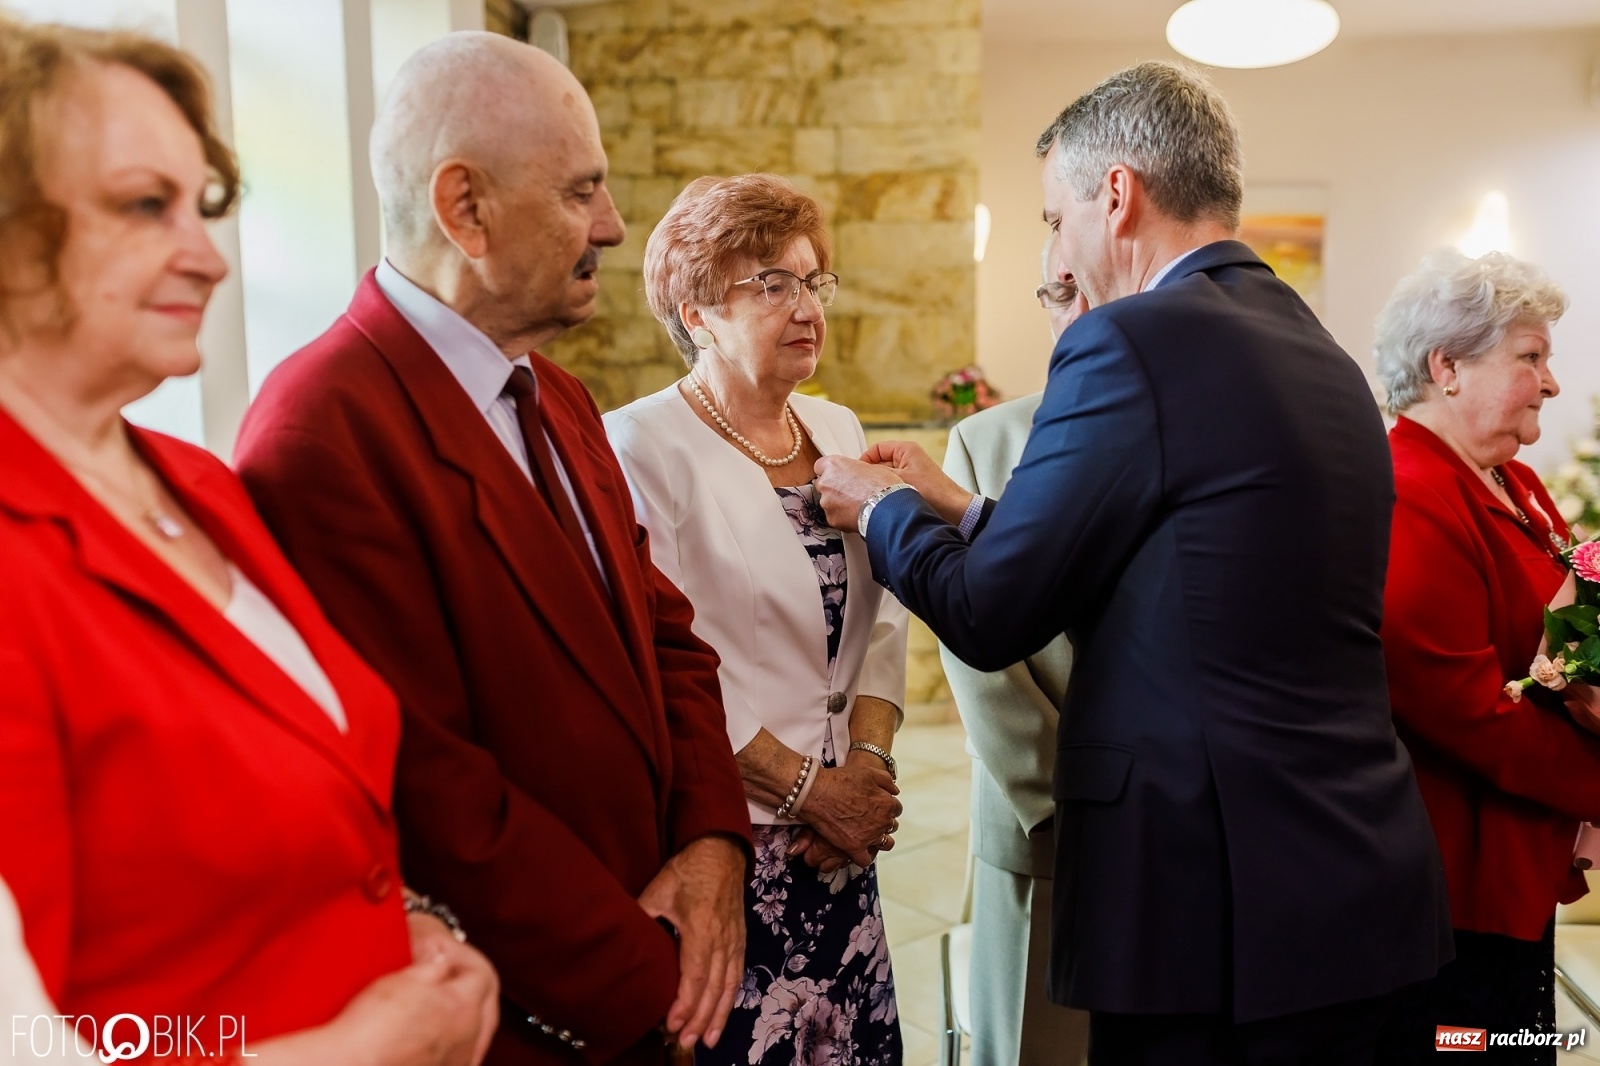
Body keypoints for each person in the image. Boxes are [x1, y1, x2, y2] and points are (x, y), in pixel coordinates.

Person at [813, 61, 1451, 1064]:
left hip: (1210, 908)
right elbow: (1191, 566)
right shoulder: (1317, 351)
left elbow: (988, 614)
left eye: (1053, 216)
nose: (1056, 251)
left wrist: (883, 506)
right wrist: (965, 506)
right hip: (1355, 879)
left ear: (1115, 194)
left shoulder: (1132, 339)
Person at [232, 32, 752, 1065]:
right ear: (463, 207)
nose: (609, 225)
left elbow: (664, 634)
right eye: (580, 192)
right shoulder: (320, 430)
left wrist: (707, 842)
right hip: (534, 1009)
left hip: (651, 952)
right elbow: (424, 785)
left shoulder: (554, 393)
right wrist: (643, 978)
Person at [0, 19, 497, 1065]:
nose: (207, 256)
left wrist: (396, 924)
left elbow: (313, 783)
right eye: (145, 206)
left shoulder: (198, 484)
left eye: (205, 206)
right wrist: (364, 1046)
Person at [603, 174, 910, 1066]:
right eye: (771, 284)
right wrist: (813, 792)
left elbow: (882, 627)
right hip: (736, 843)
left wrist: (867, 768)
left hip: (839, 846)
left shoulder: (835, 423)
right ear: (695, 311)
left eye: (813, 281)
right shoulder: (639, 446)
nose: (805, 305)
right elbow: (665, 661)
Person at [1372, 250, 1600, 1063]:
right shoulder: (1409, 492)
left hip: (1517, 858)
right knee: (1472, 1050)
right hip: (1454, 881)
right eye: (1530, 357)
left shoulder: (1519, 482)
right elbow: (1466, 709)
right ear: (1447, 367)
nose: (1550, 382)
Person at [939, 251, 1089, 1066]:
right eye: (1060, 292)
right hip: (1045, 817)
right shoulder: (985, 439)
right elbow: (975, 649)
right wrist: (1058, 796)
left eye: (1096, 290)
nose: (1078, 309)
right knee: (1038, 1040)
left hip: (1166, 816)